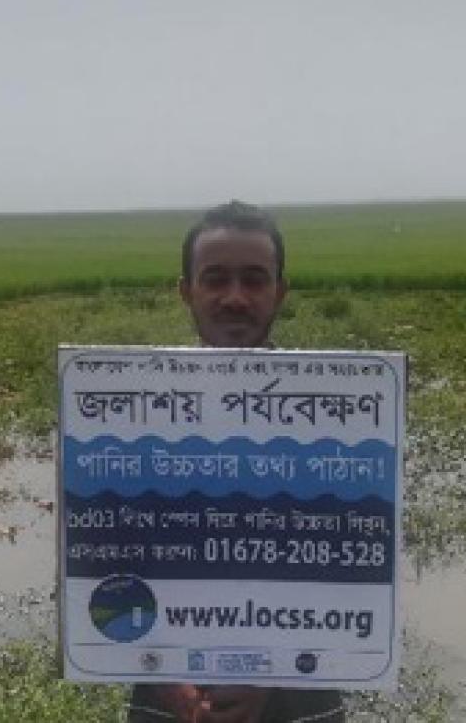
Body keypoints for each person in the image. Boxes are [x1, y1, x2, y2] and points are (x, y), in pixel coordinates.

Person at [127, 201, 346, 723]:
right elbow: (107, 554)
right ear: (186, 291)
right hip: (167, 694)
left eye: (254, 280)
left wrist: (274, 668)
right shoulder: (130, 412)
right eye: (215, 279)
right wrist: (165, 672)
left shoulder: (337, 415)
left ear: (280, 291)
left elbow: (350, 562)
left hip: (302, 688)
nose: (235, 298)